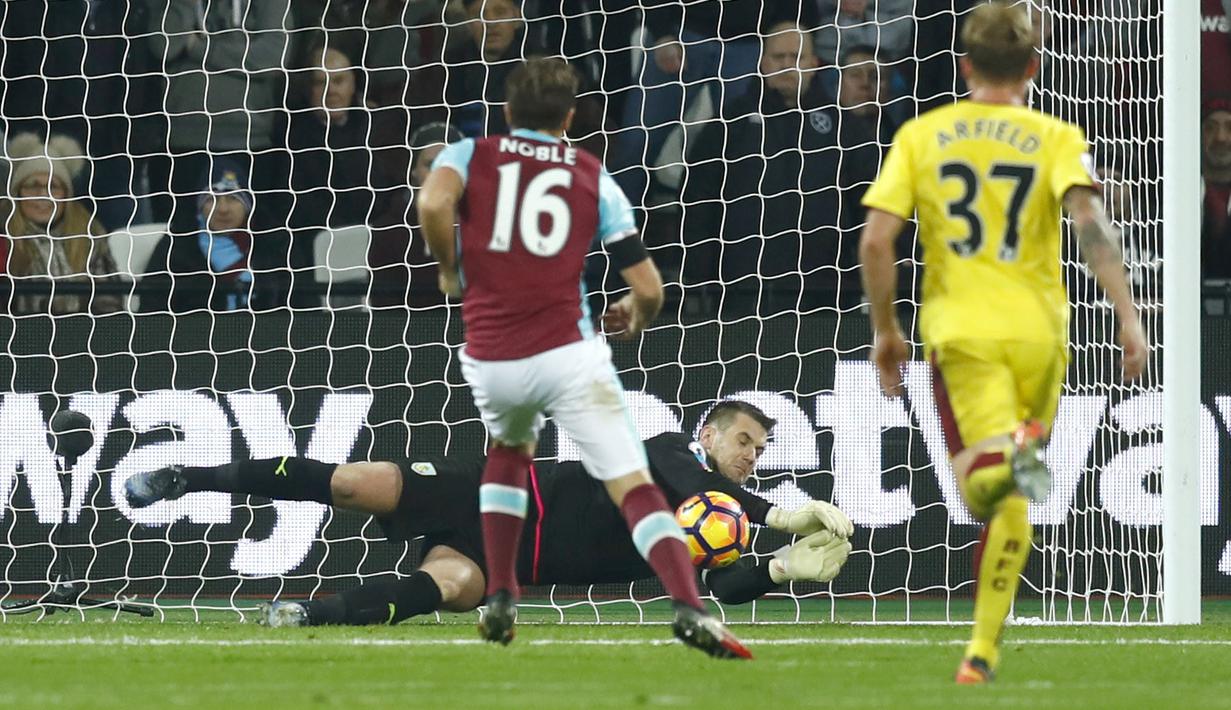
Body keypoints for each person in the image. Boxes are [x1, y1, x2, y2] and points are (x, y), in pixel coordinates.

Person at [418, 56, 767, 659]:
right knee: (631, 481)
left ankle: (502, 589)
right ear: (570, 115)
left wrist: (451, 269)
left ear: (506, 110)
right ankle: (690, 606)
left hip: (497, 348)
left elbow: (432, 205)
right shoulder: (589, 172)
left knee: (508, 460)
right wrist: (635, 310)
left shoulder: (469, 154)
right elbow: (651, 287)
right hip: (568, 348)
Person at [857, 1, 1148, 684]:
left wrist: (885, 331)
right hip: (1041, 336)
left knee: (985, 490)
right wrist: (1128, 316)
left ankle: (1008, 467)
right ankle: (981, 653)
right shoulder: (1054, 134)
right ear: (1032, 66)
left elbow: (875, 240)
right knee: (1008, 492)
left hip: (963, 335)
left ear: (963, 64)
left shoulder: (924, 135)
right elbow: (1091, 227)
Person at [122, 400, 854, 628]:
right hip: (489, 497)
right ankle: (192, 474)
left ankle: (305, 616)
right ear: (709, 434)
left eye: (759, 450)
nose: (749, 454)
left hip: (514, 563)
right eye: (742, 440)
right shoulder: (668, 451)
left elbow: (719, 587)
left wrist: (781, 567)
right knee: (349, 483)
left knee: (448, 589)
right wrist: (778, 514)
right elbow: (685, 482)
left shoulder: (714, 531)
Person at [1, 133, 122, 315]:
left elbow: (110, 303)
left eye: (53, 187)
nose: (43, 195)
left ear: (66, 195)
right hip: (18, 337)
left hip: (83, 336)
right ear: (17, 193)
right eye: (33, 186)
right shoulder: (4, 236)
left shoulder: (90, 234)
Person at [141, 160, 266, 312]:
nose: (223, 209)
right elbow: (151, 308)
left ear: (248, 206)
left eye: (233, 198)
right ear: (200, 207)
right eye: (212, 199)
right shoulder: (177, 244)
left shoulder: (273, 241)